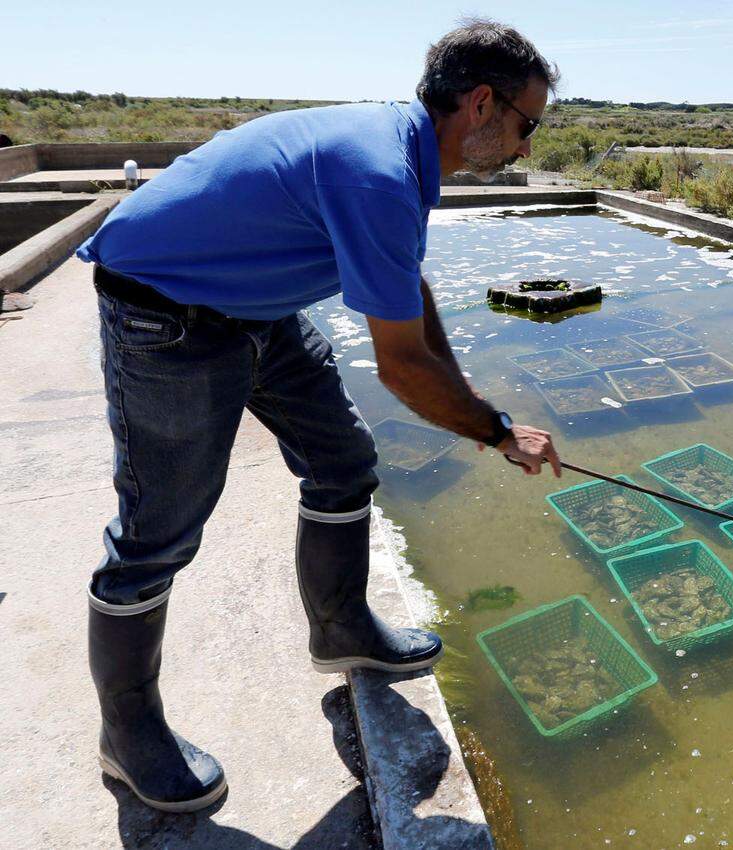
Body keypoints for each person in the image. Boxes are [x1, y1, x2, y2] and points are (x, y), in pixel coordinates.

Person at [74, 19, 560, 813]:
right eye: (526, 125)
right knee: (157, 534)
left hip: (254, 311)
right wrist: (496, 431)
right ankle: (127, 736)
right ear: (480, 105)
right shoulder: (379, 171)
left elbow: (412, 299)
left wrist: (482, 409)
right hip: (165, 312)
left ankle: (340, 629)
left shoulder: (404, 151)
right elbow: (402, 367)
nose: (527, 149)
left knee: (342, 463)